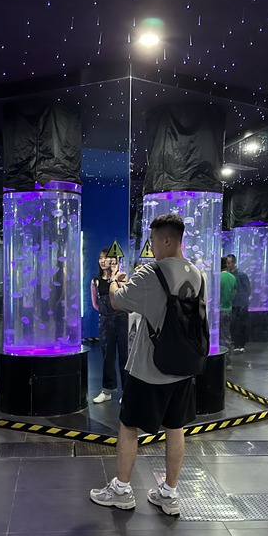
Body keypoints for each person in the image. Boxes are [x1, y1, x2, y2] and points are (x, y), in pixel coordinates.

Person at [90, 214, 205, 517]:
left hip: (150, 368)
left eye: (153, 240)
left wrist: (114, 284)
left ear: (166, 239)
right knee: (175, 427)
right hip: (183, 366)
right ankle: (169, 493)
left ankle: (121, 490)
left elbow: (118, 302)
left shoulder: (151, 273)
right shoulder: (196, 274)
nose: (151, 246)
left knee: (129, 426)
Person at [90, 248, 129, 404]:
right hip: (105, 323)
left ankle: (127, 392)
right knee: (108, 357)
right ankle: (107, 390)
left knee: (125, 357)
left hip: (122, 321)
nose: (102, 261)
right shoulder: (95, 281)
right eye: (100, 258)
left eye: (106, 258)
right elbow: (95, 304)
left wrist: (114, 277)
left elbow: (125, 297)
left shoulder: (122, 277)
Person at [227, 254, 251, 353]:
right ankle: (236, 343)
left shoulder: (241, 274)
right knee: (234, 324)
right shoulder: (228, 274)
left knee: (241, 324)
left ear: (234, 263)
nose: (228, 265)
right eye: (226, 263)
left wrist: (244, 300)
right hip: (233, 303)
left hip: (241, 303)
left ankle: (240, 345)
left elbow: (248, 288)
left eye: (229, 263)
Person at [219, 256, 236, 369]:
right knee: (226, 335)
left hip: (218, 310)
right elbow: (234, 293)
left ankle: (219, 360)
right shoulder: (232, 277)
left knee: (216, 336)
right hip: (228, 309)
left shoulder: (217, 277)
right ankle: (228, 362)